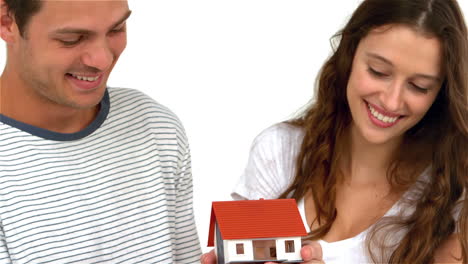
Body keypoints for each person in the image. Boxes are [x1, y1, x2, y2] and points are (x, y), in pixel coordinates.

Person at [202, 0, 468, 263]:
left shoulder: (453, 195)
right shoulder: (278, 152)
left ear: (441, 93)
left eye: (419, 86)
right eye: (378, 71)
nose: (391, 101)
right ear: (349, 54)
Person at [0, 0, 201, 263]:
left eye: (116, 29)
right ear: (7, 21)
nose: (102, 59)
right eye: (72, 39)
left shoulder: (154, 125)